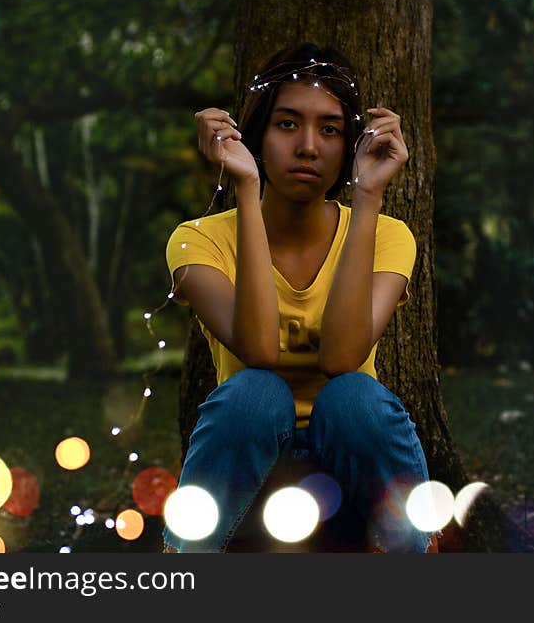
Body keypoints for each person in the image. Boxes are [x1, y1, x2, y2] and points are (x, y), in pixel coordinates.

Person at [162, 42, 432, 552]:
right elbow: (259, 351)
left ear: (350, 144)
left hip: (350, 435)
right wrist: (245, 186)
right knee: (254, 391)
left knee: (355, 396)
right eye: (287, 124)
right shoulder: (196, 240)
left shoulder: (389, 236)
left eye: (330, 129)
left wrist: (368, 194)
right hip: (249, 438)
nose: (308, 146)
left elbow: (342, 357)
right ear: (258, 135)